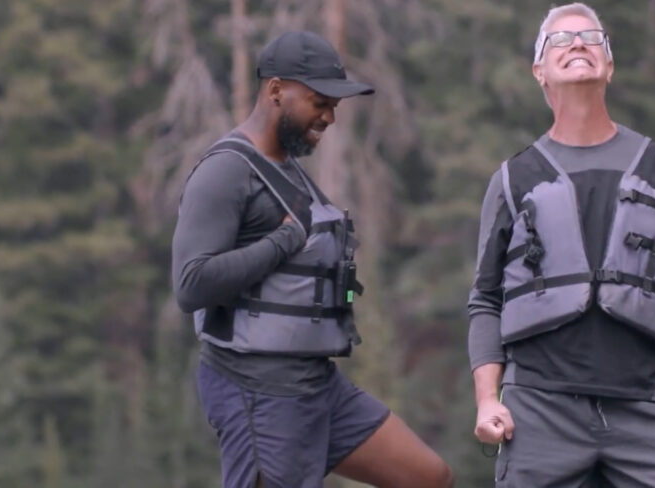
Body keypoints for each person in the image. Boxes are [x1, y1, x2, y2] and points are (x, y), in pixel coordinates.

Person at [173, 30, 454, 488]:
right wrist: (284, 241)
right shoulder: (225, 170)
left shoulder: (288, 169)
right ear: (276, 90)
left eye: (335, 106)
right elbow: (191, 285)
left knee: (429, 478)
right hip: (256, 389)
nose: (330, 116)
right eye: (320, 101)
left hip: (316, 384)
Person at [468, 3, 655, 487]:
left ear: (609, 64)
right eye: (560, 39)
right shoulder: (511, 180)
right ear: (539, 71)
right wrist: (486, 398)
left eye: (591, 37)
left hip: (647, 405)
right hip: (540, 411)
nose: (578, 44)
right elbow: (485, 298)